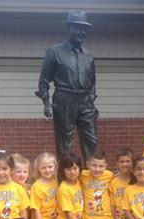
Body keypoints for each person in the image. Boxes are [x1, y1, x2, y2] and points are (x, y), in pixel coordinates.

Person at [35, 10, 98, 162]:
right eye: (78, 28)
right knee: (65, 141)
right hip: (64, 99)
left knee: (91, 139)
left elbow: (92, 81)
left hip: (85, 101)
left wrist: (91, 101)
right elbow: (44, 79)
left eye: (84, 29)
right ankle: (65, 175)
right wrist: (46, 102)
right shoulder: (55, 52)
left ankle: (93, 175)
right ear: (69, 28)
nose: (81, 32)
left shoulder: (88, 55)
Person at [30, 152, 59, 219]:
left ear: (55, 167)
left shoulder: (55, 182)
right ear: (38, 169)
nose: (47, 170)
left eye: (50, 167)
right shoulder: (36, 187)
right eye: (44, 168)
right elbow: (35, 210)